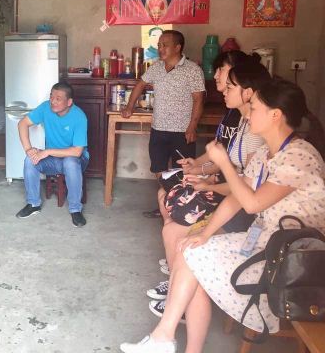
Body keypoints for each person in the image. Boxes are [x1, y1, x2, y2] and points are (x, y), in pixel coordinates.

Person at [120, 79, 325, 353]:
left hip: (293, 258)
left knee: (192, 258)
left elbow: (251, 203)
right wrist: (204, 235)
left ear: (275, 115)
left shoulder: (298, 156)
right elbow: (236, 197)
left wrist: (223, 163)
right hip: (268, 242)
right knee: (190, 248)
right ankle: (167, 339)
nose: (248, 115)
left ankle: (165, 339)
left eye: (254, 108)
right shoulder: (267, 152)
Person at [146, 59, 269, 316]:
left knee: (173, 227)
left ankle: (178, 289)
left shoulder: (256, 131)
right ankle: (176, 279)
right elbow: (228, 164)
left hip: (242, 208)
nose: (218, 80)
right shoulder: (241, 120)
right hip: (229, 191)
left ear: (248, 92)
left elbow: (244, 187)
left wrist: (206, 181)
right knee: (167, 195)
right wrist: (200, 170)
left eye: (227, 79)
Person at [122, 30, 205, 219]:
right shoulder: (157, 68)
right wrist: (129, 107)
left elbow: (199, 100)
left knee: (183, 171)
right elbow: (140, 85)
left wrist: (192, 127)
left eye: (165, 45)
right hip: (158, 128)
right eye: (159, 45)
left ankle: (183, 209)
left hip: (182, 131)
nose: (160, 49)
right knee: (158, 168)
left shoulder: (192, 70)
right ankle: (169, 203)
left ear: (178, 47)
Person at [15, 82, 89, 228]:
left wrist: (47, 151)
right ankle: (33, 204)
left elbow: (77, 151)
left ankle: (75, 209)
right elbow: (22, 123)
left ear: (69, 102)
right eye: (51, 97)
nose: (53, 101)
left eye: (58, 99)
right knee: (30, 160)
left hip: (77, 160)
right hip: (54, 160)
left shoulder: (79, 117)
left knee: (70, 162)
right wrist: (29, 149)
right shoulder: (45, 108)